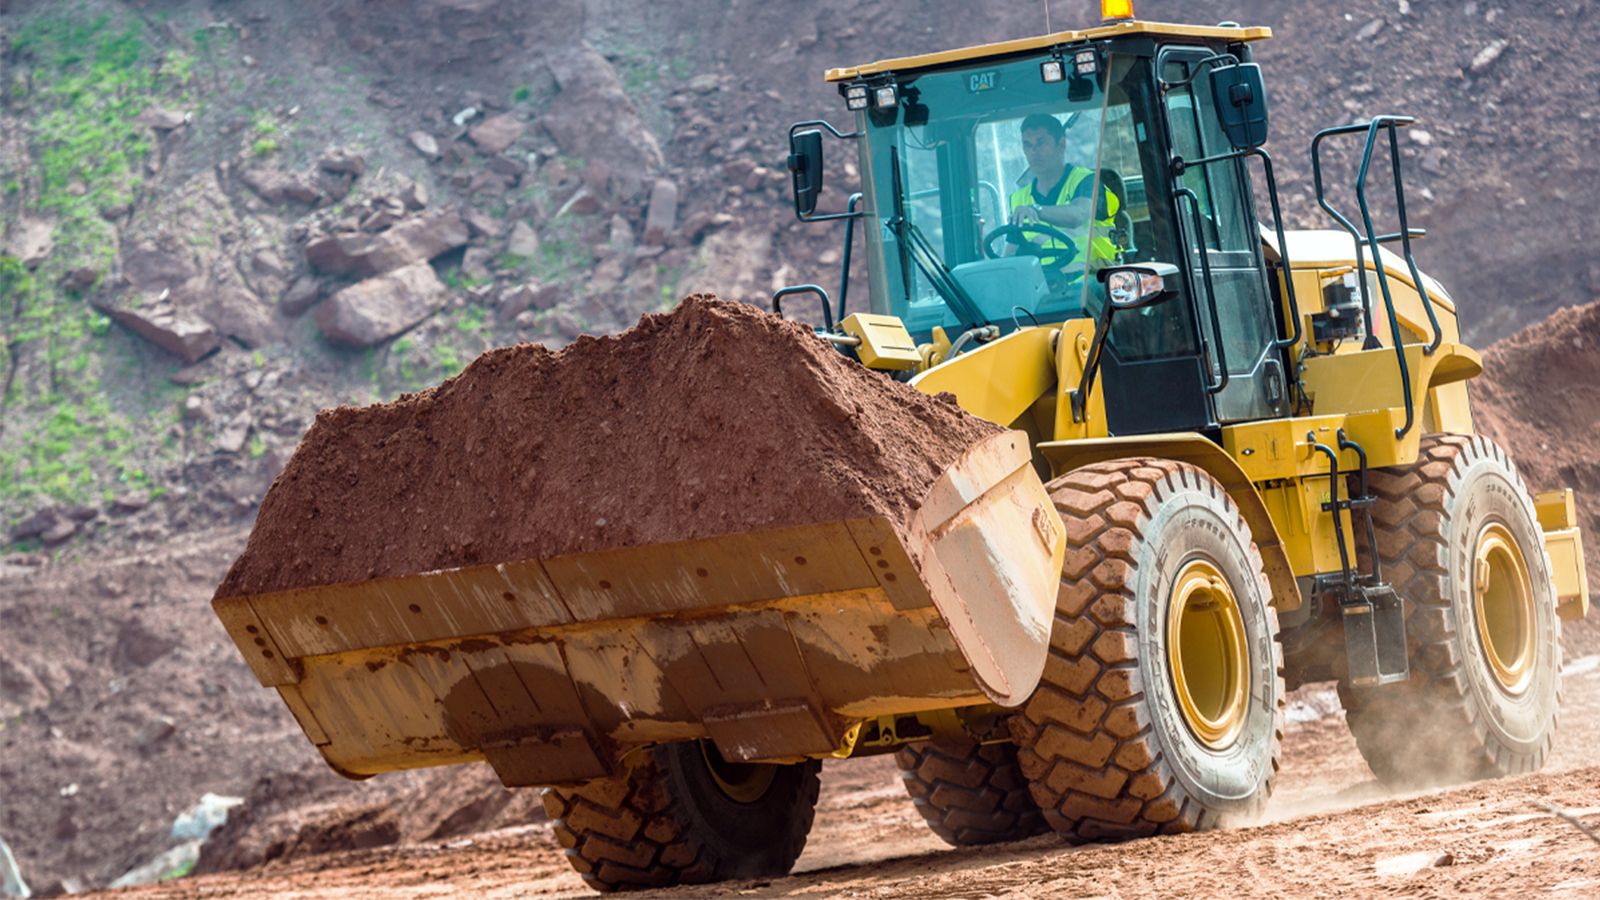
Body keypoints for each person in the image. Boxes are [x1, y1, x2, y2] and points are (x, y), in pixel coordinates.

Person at [1006, 113, 1122, 280]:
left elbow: (1078, 215)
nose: (1034, 152)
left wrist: (1036, 210)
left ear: (1061, 144)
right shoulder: (1019, 200)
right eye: (1027, 145)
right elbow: (1008, 258)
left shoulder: (1086, 181)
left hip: (1095, 287)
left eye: (1041, 143)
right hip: (1045, 293)